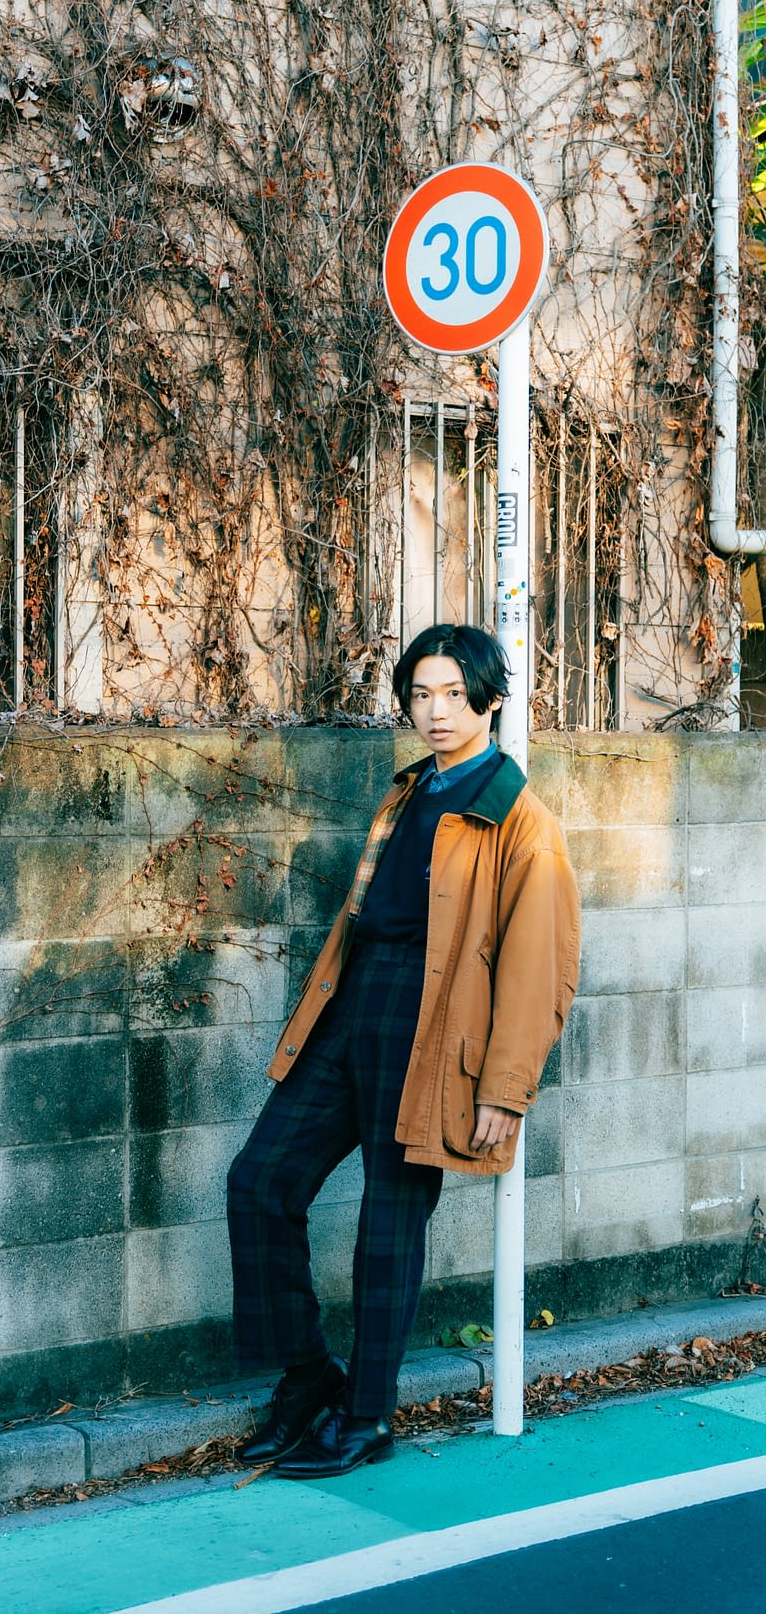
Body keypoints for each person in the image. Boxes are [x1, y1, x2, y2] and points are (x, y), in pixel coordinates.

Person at [226, 623, 580, 1479]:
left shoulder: (520, 822)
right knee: (260, 1181)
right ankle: (309, 1379)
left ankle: (367, 1416)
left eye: (454, 694)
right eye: (421, 694)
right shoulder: (408, 790)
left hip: (435, 1024)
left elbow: (539, 969)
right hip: (355, 1006)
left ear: (489, 700)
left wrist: (506, 1088)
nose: (436, 711)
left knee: (388, 1223)